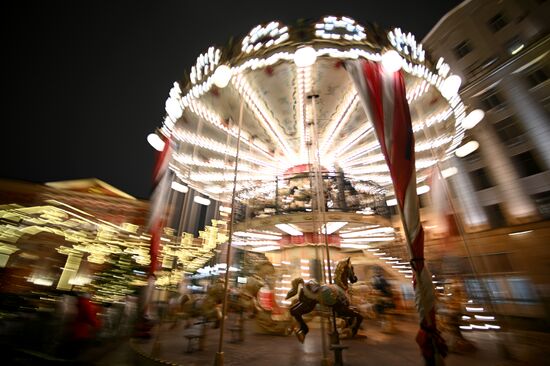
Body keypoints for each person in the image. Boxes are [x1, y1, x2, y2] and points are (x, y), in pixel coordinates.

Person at [372, 268, 395, 332]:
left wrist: (379, 293)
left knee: (379, 307)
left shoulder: (381, 281)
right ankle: (386, 324)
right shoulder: (381, 280)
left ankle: (386, 324)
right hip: (385, 297)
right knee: (379, 307)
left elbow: (380, 288)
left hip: (385, 297)